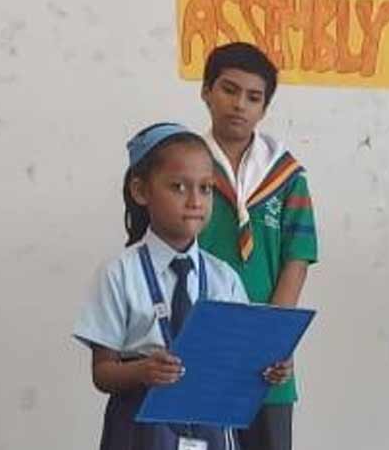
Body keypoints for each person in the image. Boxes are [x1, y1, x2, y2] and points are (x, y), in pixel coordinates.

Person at [73, 122, 288, 450]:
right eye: (178, 187)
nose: (195, 201)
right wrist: (143, 371)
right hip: (139, 428)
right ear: (141, 191)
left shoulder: (224, 277)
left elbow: (238, 361)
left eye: (205, 188)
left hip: (211, 428)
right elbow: (102, 372)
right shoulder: (119, 273)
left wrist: (267, 369)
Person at [198, 43, 318, 450]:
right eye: (229, 90)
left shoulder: (287, 177)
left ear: (264, 108)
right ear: (206, 91)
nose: (239, 105)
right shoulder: (186, 169)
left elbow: (296, 260)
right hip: (198, 346)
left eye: (253, 97)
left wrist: (271, 339)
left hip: (266, 365)